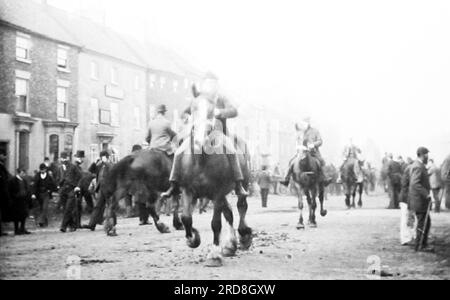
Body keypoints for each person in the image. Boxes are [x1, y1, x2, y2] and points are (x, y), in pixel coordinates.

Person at [161, 72, 249, 199]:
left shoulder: (222, 98)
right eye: (207, 83)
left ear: (216, 85)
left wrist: (220, 111)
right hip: (198, 132)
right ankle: (173, 185)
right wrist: (187, 118)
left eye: (212, 84)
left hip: (219, 132)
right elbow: (185, 113)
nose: (210, 87)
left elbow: (234, 111)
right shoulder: (198, 99)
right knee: (179, 152)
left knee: (232, 150)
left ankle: (238, 184)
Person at [280, 117, 328, 186]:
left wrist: (313, 144)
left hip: (313, 152)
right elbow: (297, 142)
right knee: (291, 162)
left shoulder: (315, 131)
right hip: (301, 152)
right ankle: (286, 179)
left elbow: (320, 141)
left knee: (321, 161)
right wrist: (299, 146)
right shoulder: (300, 132)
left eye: (307, 122)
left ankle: (324, 179)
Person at [409, 147, 432, 252]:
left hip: (419, 200)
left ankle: (421, 244)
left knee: (425, 222)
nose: (428, 157)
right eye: (427, 154)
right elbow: (415, 183)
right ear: (422, 155)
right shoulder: (418, 166)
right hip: (420, 201)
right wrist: (426, 194)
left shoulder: (418, 165)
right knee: (423, 223)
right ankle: (419, 246)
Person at [84, 150, 113, 231]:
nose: (102, 158)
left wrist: (106, 162)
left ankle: (112, 223)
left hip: (108, 189)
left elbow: (111, 169)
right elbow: (90, 170)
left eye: (103, 156)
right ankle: (91, 225)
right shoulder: (100, 165)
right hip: (101, 188)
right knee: (97, 206)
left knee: (110, 206)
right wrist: (94, 162)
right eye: (101, 156)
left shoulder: (110, 164)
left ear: (107, 157)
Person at [60, 151, 85, 233]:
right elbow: (59, 178)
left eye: (65, 157)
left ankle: (63, 226)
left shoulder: (73, 167)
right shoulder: (60, 167)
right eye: (62, 158)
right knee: (65, 209)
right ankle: (72, 224)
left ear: (68, 158)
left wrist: (78, 186)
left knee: (68, 208)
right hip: (63, 190)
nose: (64, 159)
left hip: (72, 189)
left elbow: (81, 177)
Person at [31, 164, 57, 228]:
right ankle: (44, 222)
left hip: (46, 194)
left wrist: (50, 190)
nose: (43, 170)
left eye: (44, 169)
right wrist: (33, 194)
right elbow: (34, 186)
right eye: (41, 169)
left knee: (45, 208)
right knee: (40, 208)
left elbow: (53, 184)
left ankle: (40, 221)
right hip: (39, 194)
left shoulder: (49, 176)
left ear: (45, 169)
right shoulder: (37, 176)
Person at [8, 169, 32, 235]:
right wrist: (15, 196)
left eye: (24, 173)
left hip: (24, 200)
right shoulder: (13, 180)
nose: (23, 174)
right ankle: (16, 230)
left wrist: (27, 196)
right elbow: (10, 191)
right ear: (18, 173)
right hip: (16, 201)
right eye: (22, 173)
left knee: (23, 215)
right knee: (16, 216)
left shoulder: (24, 180)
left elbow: (27, 189)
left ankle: (22, 229)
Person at [399, 157, 416, 245]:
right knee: (406, 218)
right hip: (406, 199)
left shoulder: (408, 171)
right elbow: (406, 187)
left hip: (407, 198)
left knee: (410, 218)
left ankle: (410, 236)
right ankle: (405, 238)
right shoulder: (409, 172)